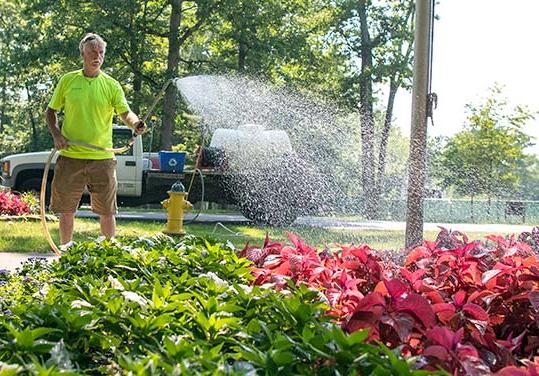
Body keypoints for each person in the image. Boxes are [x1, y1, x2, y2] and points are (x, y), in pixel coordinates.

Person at [44, 33, 146, 247]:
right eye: (92, 52)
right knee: (66, 210)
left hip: (103, 158)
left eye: (100, 52)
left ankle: (108, 252)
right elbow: (50, 112)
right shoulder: (68, 80)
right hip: (71, 156)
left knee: (107, 210)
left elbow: (125, 113)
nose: (97, 56)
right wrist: (57, 135)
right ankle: (65, 252)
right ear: (83, 53)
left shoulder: (111, 85)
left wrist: (136, 124)